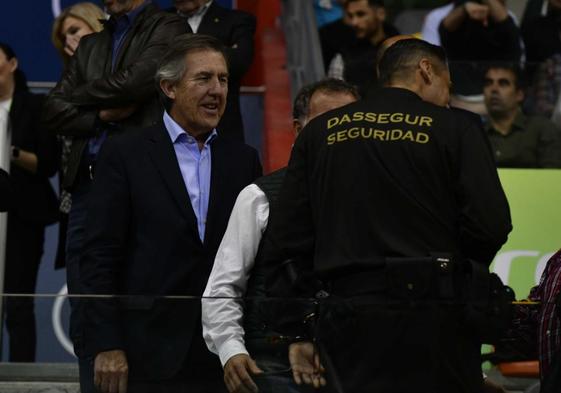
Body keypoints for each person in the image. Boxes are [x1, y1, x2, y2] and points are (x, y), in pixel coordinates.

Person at [267, 39, 512, 393]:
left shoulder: (320, 132)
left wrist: (301, 323)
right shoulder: (458, 128)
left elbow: (287, 237)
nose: (448, 98)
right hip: (439, 317)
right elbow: (491, 224)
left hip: (348, 319)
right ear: (426, 70)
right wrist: (454, 266)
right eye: (449, 85)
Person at [79, 34, 262, 393]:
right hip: (145, 351)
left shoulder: (243, 160)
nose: (217, 90)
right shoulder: (125, 154)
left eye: (223, 79)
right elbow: (99, 255)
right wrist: (106, 342)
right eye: (204, 78)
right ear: (169, 87)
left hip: (223, 356)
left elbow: (255, 260)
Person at [42, 0, 185, 390]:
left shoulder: (169, 28)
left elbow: (139, 82)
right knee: (86, 309)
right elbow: (53, 109)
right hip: (86, 189)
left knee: (142, 299)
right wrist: (102, 114)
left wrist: (81, 96)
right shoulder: (91, 45)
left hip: (143, 186)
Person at [202, 78, 359, 393]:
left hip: (353, 367)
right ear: (299, 131)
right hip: (275, 368)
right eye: (328, 124)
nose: (340, 134)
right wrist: (232, 350)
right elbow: (223, 287)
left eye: (350, 124)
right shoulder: (258, 196)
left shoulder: (377, 200)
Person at [0, 43, 60, 362]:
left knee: (19, 303)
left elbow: (48, 163)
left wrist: (7, 151)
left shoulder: (36, 105)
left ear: (12, 62)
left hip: (25, 216)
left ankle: (21, 375)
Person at [50, 2, 105, 270]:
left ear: (94, 26)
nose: (68, 41)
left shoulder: (113, 69)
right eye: (63, 37)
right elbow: (54, 115)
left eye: (74, 31)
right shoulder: (69, 78)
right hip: (75, 194)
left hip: (106, 188)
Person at [169, 0, 256, 142]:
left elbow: (239, 62)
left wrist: (178, 59)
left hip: (221, 130)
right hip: (169, 129)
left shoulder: (237, 20)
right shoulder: (157, 20)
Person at [439, 0, 523, 109]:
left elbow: (506, 25)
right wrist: (465, 8)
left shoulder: (506, 34)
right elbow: (446, 28)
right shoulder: (457, 36)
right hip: (460, 102)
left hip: (499, 105)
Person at [483, 64, 561, 168]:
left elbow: (554, 175)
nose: (493, 89)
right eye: (488, 83)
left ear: (519, 94)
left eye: (503, 83)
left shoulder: (542, 128)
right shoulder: (475, 132)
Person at [327, 0, 399, 97]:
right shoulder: (344, 55)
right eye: (350, 16)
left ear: (380, 14)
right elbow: (335, 96)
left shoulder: (400, 49)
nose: (354, 22)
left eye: (361, 14)